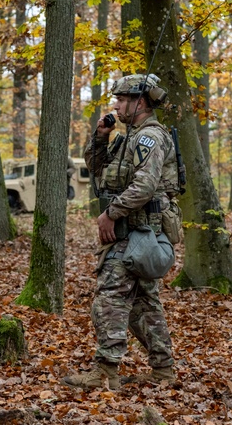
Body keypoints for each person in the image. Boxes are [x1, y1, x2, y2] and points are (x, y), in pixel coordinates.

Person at [62, 74, 179, 390]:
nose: (116, 104)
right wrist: (100, 137)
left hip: (135, 233)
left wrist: (110, 215)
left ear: (139, 102)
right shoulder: (129, 138)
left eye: (122, 99)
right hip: (134, 232)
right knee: (143, 304)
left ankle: (105, 372)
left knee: (110, 299)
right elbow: (98, 171)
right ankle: (164, 370)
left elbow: (144, 186)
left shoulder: (149, 138)